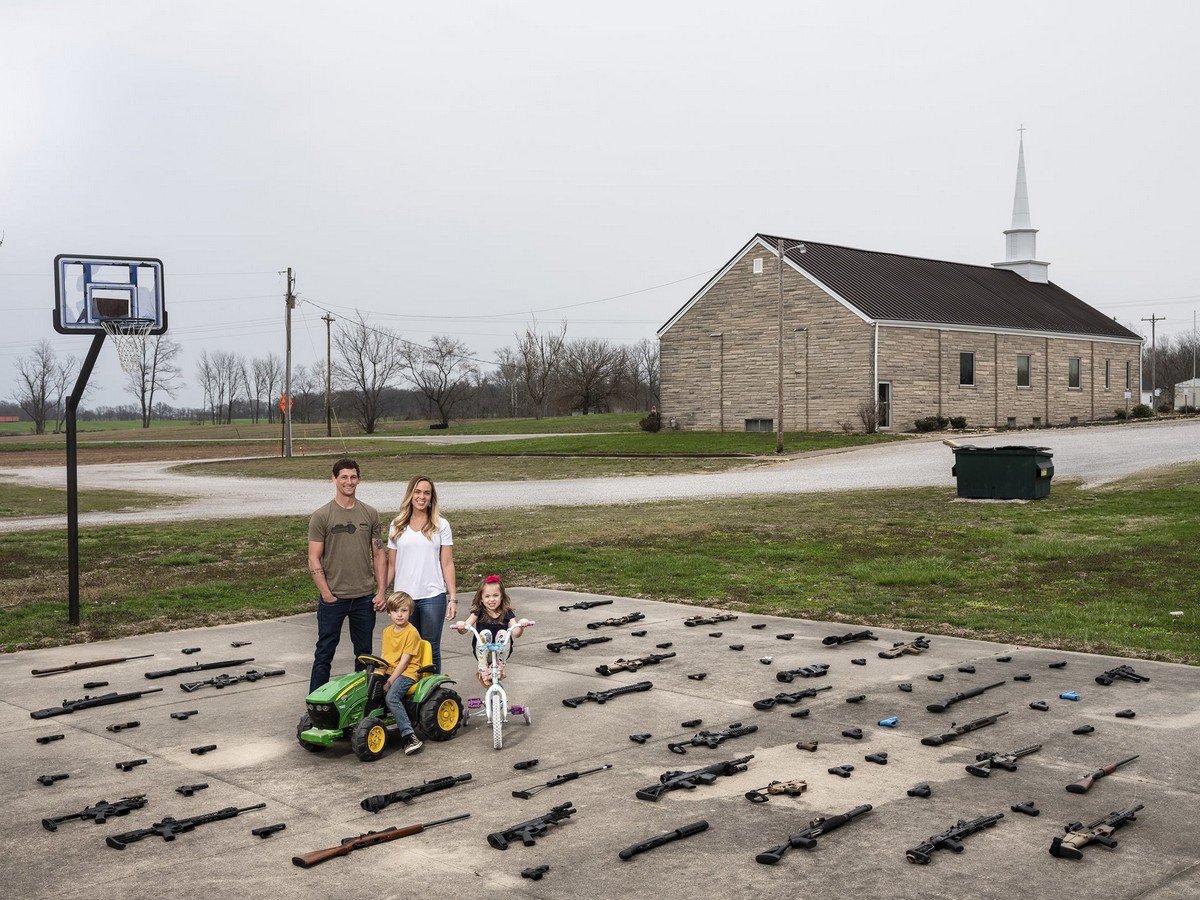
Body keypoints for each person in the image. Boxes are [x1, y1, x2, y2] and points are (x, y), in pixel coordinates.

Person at [307, 458, 387, 692]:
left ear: (359, 479)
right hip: (334, 598)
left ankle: (361, 704)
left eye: (353, 477)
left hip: (364, 598)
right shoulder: (322, 516)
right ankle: (315, 705)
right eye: (343, 477)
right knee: (324, 654)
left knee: (364, 657)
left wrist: (381, 591)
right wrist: (326, 593)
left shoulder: (370, 514)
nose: (349, 482)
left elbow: (379, 554)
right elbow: (313, 557)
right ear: (334, 479)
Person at [385, 475, 457, 674]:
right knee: (408, 649)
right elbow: (391, 564)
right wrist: (381, 592)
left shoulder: (441, 525)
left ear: (431, 497)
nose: (422, 497)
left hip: (432, 596)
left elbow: (447, 563)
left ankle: (432, 694)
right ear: (410, 495)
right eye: (417, 492)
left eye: (427, 492)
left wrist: (452, 598)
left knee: (430, 647)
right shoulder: (397, 525)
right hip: (404, 599)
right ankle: (410, 693)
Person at [451, 574, 534, 685]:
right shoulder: (478, 612)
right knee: (485, 633)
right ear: (481, 598)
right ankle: (483, 669)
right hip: (483, 652)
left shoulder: (507, 613)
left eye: (495, 595)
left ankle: (500, 667)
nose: (491, 599)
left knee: (504, 633)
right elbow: (465, 629)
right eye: (487, 596)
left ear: (502, 597)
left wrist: (521, 625)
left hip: (501, 652)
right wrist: (461, 625)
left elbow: (516, 633)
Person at [380, 591, 424, 755]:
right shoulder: (386, 632)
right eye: (396, 610)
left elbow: (404, 662)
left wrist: (389, 681)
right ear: (389, 612)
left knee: (391, 696)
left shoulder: (411, 632)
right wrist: (377, 674)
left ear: (410, 612)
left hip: (408, 673)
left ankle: (409, 735)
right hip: (391, 670)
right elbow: (385, 657)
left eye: (404, 610)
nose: (399, 614)